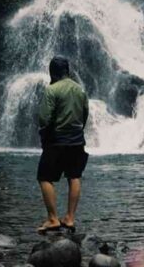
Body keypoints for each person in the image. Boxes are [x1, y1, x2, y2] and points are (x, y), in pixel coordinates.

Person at [36, 56, 89, 234]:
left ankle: (53, 219)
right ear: (68, 71)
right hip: (77, 140)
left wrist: (44, 135)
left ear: (52, 72)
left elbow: (44, 118)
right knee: (74, 176)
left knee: (44, 177)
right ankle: (70, 218)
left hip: (56, 141)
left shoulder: (52, 90)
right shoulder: (80, 90)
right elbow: (85, 115)